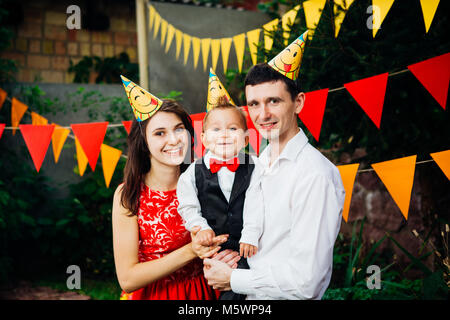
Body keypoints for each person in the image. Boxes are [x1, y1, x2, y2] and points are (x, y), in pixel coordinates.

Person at [203, 32, 346, 300]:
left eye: (274, 101)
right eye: (254, 104)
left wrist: (233, 278)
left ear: (298, 102)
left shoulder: (314, 175)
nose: (263, 114)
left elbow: (307, 282)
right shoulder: (258, 165)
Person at [112, 76, 240, 300]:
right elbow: (127, 279)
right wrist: (192, 250)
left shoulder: (208, 182)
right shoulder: (129, 194)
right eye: (160, 133)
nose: (173, 140)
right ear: (143, 142)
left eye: (179, 129)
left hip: (204, 293)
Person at [177, 78, 262, 300]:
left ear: (245, 138)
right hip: (216, 247)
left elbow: (258, 201)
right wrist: (199, 227)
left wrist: (251, 234)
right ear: (203, 138)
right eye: (216, 129)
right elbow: (188, 206)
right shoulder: (192, 173)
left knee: (250, 291)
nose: (224, 134)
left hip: (251, 245)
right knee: (225, 290)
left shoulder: (256, 165)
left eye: (232, 129)